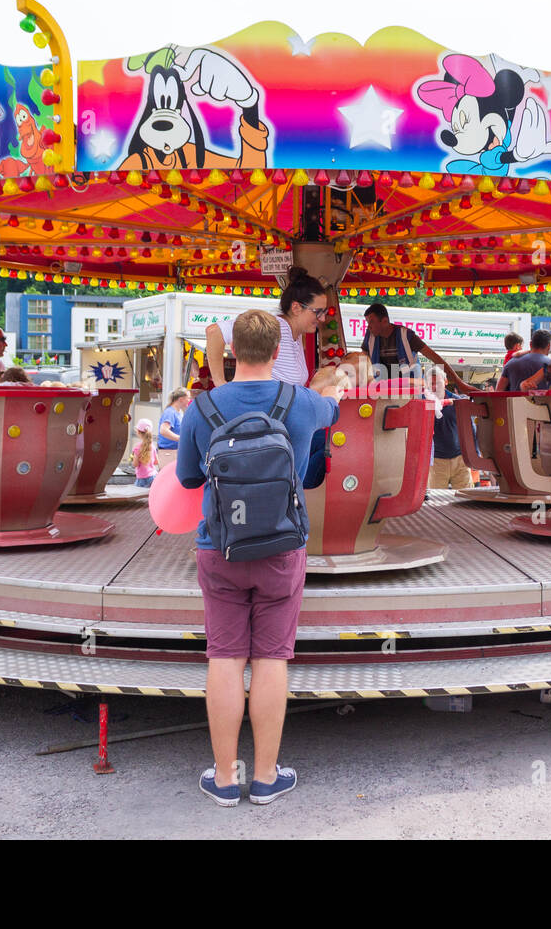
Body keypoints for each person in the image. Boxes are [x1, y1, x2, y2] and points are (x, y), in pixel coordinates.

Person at [176, 310, 344, 807]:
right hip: (283, 547)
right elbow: (333, 413)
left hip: (219, 547)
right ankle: (268, 777)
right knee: (272, 659)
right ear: (278, 353)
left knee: (225, 659)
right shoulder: (300, 402)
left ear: (232, 352)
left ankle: (225, 779)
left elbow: (187, 480)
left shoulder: (202, 407)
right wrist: (333, 389)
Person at [205, 266, 327, 389]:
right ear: (296, 308)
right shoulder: (272, 326)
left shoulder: (296, 334)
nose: (322, 318)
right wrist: (220, 382)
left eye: (324, 312)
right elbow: (214, 331)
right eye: (318, 311)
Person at [360, 301, 465, 388]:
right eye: (367, 322)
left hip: (410, 390)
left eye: (371, 322)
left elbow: (435, 357)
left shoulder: (406, 335)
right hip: (383, 390)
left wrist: (459, 383)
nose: (368, 326)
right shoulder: (370, 337)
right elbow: (362, 361)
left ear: (384, 321)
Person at [429, 389, 472, 490]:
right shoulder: (424, 400)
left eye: (438, 381)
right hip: (437, 461)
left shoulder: (458, 401)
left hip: (460, 459)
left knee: (465, 497)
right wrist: (445, 402)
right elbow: (423, 408)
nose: (435, 386)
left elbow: (470, 425)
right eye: (431, 382)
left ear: (445, 381)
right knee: (436, 499)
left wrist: (475, 453)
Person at [156, 388, 191, 469]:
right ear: (181, 399)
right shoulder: (170, 412)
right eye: (188, 398)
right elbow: (163, 430)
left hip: (175, 451)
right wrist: (180, 438)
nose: (189, 400)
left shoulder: (179, 412)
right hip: (168, 453)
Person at [131, 418, 158, 487]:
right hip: (154, 477)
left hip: (142, 479)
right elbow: (156, 462)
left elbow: (135, 464)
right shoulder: (153, 447)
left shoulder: (137, 447)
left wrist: (132, 459)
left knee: (138, 496)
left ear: (138, 432)